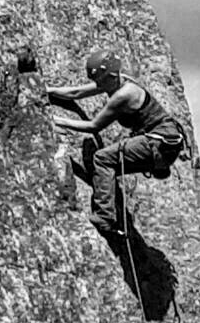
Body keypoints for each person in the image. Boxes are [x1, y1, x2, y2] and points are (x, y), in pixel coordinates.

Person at [48, 49, 185, 234]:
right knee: (113, 161)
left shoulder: (123, 95)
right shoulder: (118, 80)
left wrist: (56, 120)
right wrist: (47, 91)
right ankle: (157, 164)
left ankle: (105, 217)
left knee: (103, 159)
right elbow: (77, 92)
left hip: (158, 143)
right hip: (167, 141)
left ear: (111, 76)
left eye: (100, 80)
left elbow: (93, 126)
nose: (97, 84)